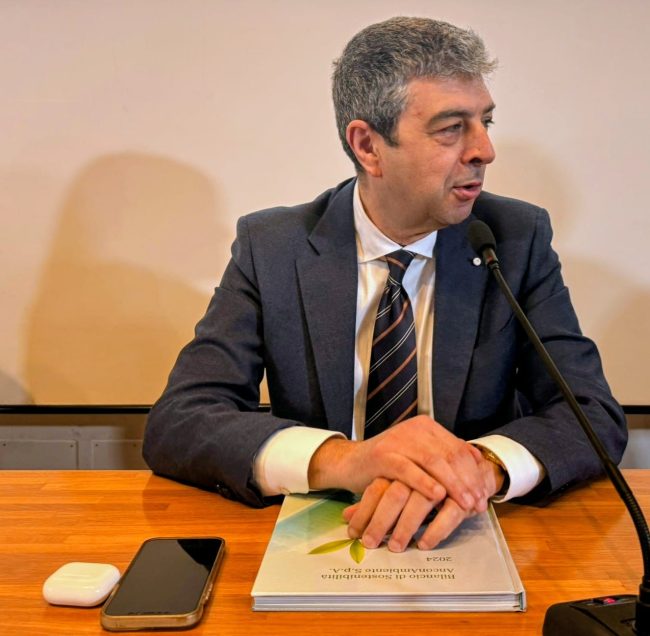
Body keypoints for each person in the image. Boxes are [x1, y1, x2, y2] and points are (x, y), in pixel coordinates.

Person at [143, 17, 627, 553]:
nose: (485, 150)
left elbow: (590, 413)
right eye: (452, 128)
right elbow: (181, 421)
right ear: (368, 146)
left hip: (465, 532)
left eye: (486, 121)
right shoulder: (274, 247)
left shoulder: (514, 238)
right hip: (322, 532)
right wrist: (347, 460)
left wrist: (477, 468)